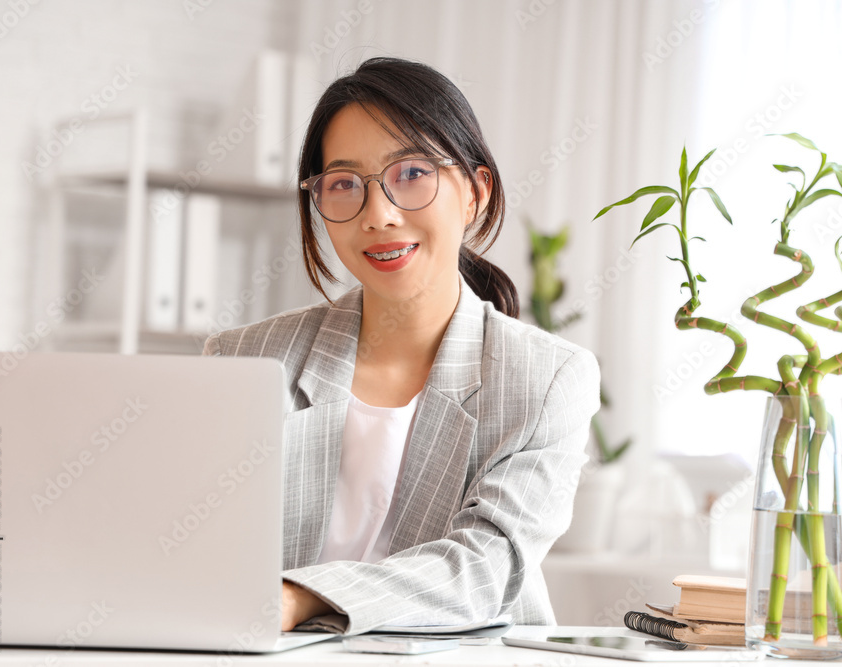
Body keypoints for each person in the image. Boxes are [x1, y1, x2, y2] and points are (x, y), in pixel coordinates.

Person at [202, 56, 600, 635]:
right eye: (344, 185)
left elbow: (484, 569)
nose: (379, 215)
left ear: (475, 193)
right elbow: (196, 549)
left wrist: (300, 597)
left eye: (411, 174)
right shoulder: (244, 362)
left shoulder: (547, 378)